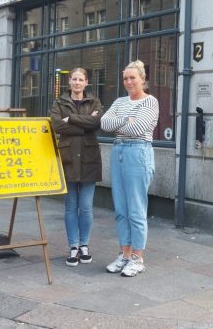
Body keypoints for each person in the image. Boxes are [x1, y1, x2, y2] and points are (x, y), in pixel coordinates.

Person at [100, 60, 159, 277]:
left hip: (138, 153)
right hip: (118, 152)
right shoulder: (119, 101)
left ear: (142, 79)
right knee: (121, 209)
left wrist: (119, 122)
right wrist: (126, 118)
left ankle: (137, 258)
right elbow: (104, 124)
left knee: (136, 208)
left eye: (133, 77)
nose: (129, 82)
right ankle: (124, 254)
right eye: (125, 78)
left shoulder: (150, 102)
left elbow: (138, 129)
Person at [50, 68, 103, 267]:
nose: (77, 83)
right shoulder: (59, 102)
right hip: (68, 157)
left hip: (89, 158)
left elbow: (97, 122)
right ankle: (73, 246)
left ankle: (84, 245)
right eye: (74, 79)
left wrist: (71, 118)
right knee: (71, 206)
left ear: (86, 82)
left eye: (81, 79)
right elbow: (57, 126)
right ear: (69, 81)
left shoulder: (94, 101)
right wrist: (85, 124)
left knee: (87, 207)